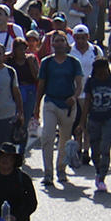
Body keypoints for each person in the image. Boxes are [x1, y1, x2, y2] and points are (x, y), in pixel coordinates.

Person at [36, 38, 84, 186]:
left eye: (62, 41)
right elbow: (41, 85)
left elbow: (79, 84)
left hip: (68, 105)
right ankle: (48, 173)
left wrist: (74, 97)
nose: (59, 44)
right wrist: (37, 106)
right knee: (47, 137)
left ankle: (61, 169)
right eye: (56, 41)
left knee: (64, 138)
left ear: (66, 44)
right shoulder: (47, 62)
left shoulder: (73, 62)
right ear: (52, 44)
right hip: (51, 102)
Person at [79, 60, 111, 194]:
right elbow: (87, 102)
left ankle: (102, 177)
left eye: (105, 72)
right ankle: (97, 170)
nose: (102, 76)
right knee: (95, 150)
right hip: (94, 118)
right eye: (100, 73)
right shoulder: (91, 81)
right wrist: (82, 122)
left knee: (105, 147)